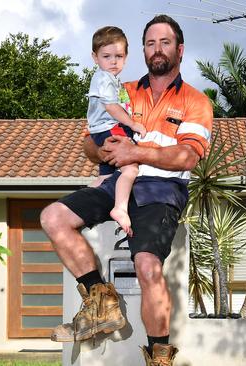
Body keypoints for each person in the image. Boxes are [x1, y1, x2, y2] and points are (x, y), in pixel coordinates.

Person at [40, 14, 212, 366]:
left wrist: (136, 152)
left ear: (179, 49)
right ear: (142, 51)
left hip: (161, 190)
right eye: (150, 43)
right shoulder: (122, 90)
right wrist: (104, 152)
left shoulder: (196, 101)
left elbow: (187, 156)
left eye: (164, 42)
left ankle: (160, 357)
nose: (157, 49)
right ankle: (101, 304)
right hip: (116, 180)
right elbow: (89, 142)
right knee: (53, 217)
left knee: (147, 266)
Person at [86, 26, 146, 236]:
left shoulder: (112, 80)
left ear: (126, 57)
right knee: (131, 167)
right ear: (95, 57)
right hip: (109, 128)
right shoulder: (103, 78)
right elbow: (112, 107)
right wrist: (132, 124)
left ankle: (88, 194)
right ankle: (120, 208)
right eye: (107, 56)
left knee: (108, 174)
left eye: (119, 56)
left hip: (106, 129)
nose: (113, 61)